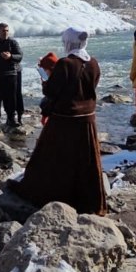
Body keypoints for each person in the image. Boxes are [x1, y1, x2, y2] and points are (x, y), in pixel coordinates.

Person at [12, 27, 106, 214]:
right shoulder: (93, 62)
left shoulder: (66, 63)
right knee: (85, 161)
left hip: (65, 119)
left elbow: (51, 91)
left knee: (51, 158)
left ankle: (51, 196)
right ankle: (86, 200)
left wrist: (45, 78)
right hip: (87, 119)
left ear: (68, 42)